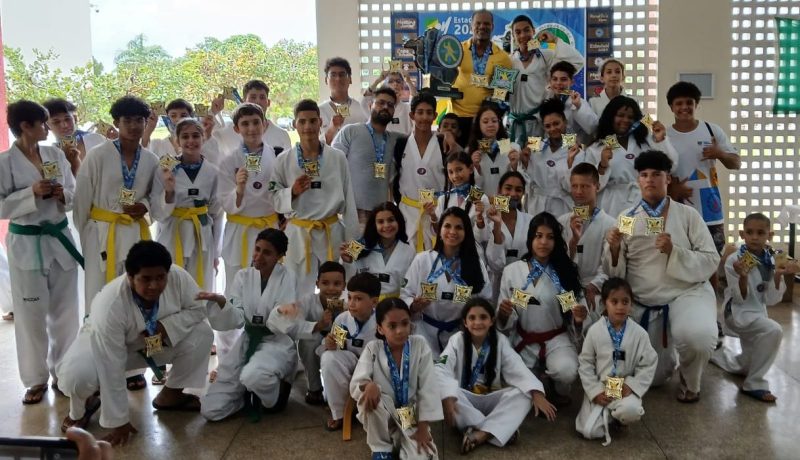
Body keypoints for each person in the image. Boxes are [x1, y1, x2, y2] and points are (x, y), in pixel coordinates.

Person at [56, 241, 213, 446]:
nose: (154, 285)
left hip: (151, 341)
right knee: (78, 377)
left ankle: (172, 395)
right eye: (146, 279)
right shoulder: (110, 303)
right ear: (130, 276)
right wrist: (119, 420)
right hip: (101, 343)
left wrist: (167, 326)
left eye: (160, 278)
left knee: (202, 334)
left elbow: (199, 309)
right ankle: (82, 406)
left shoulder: (178, 276)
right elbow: (110, 364)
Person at [603, 150, 719, 403]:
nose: (650, 179)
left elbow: (711, 259)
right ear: (638, 180)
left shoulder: (688, 215)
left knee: (698, 337)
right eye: (644, 175)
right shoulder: (627, 218)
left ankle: (691, 381)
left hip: (686, 293)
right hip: (646, 301)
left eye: (656, 174)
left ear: (668, 179)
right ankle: (672, 354)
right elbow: (615, 274)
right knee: (655, 379)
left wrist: (674, 252)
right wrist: (614, 249)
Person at [1, 100, 81, 404]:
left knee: (66, 313)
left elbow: (73, 191)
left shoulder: (55, 154)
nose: (48, 128)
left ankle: (65, 373)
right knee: (30, 316)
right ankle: (35, 379)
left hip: (59, 239)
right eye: (43, 123)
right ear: (25, 126)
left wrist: (63, 195)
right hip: (27, 242)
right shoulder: (5, 162)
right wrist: (30, 193)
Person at [73, 96, 166, 311]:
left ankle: (134, 331)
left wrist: (144, 206)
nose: (134, 126)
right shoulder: (97, 155)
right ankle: (97, 331)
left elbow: (155, 196)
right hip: (101, 233)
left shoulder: (151, 159)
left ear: (146, 122)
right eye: (127, 120)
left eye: (139, 120)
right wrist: (88, 236)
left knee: (134, 292)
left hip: (134, 231)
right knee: (99, 293)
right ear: (116, 122)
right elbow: (81, 201)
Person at [198, 229, 297, 421]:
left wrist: (266, 319)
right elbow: (237, 317)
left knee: (254, 377)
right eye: (257, 249)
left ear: (279, 256)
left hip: (276, 343)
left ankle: (279, 387)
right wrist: (221, 302)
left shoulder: (288, 277)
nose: (258, 256)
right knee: (211, 410)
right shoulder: (243, 276)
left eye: (267, 253)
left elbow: (283, 318)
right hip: (247, 340)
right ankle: (244, 396)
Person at [436, 298, 556, 454]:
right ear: (465, 322)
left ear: (491, 321)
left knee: (524, 394)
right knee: (449, 392)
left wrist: (536, 393)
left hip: (491, 398)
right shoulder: (456, 340)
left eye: (483, 317)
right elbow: (441, 368)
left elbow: (517, 367)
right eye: (472, 318)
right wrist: (447, 395)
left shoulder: (500, 340)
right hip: (466, 399)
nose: (477, 322)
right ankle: (499, 429)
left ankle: (480, 433)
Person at [497, 212, 589, 405]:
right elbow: (504, 320)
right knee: (515, 387)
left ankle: (557, 386)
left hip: (556, 339)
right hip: (523, 339)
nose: (544, 242)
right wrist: (503, 314)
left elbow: (576, 312)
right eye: (539, 236)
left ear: (556, 241)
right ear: (530, 238)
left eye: (550, 237)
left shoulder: (564, 271)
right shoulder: (512, 271)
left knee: (566, 371)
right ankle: (538, 380)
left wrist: (578, 319)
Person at [270, 99, 359, 294]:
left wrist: (353, 247)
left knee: (335, 291)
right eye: (302, 121)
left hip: (331, 232)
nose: (308, 126)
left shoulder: (337, 157)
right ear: (294, 124)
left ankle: (334, 315)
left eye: (312, 121)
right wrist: (292, 192)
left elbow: (350, 203)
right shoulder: (283, 160)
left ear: (320, 122)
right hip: (299, 234)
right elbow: (274, 199)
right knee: (297, 292)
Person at [711, 213, 799, 403]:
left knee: (747, 363)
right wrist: (742, 276)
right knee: (773, 330)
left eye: (760, 233)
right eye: (749, 232)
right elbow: (739, 298)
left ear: (770, 235)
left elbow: (771, 299)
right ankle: (754, 383)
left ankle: (715, 354)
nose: (754, 237)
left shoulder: (771, 260)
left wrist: (778, 275)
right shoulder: (735, 260)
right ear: (742, 234)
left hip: (758, 312)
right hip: (737, 313)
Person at [350, 298, 442, 460]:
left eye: (405, 323)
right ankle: (381, 448)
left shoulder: (419, 345)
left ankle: (403, 443)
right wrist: (368, 386)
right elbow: (357, 384)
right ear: (380, 328)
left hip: (411, 416)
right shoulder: (373, 348)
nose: (400, 330)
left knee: (423, 456)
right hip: (383, 415)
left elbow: (428, 387)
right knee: (372, 395)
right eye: (392, 326)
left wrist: (423, 429)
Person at [576, 277, 658, 445]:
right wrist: (594, 392)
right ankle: (607, 413)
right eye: (614, 301)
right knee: (589, 431)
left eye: (625, 302)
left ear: (631, 304)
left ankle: (620, 419)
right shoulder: (595, 331)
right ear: (604, 304)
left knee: (631, 410)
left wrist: (632, 385)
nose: (620, 307)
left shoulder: (639, 334)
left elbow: (649, 363)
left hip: (624, 389)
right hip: (601, 387)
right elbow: (585, 363)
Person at [401, 207, 491, 356]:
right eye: (447, 226)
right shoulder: (422, 260)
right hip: (424, 332)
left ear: (466, 232)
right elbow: (405, 294)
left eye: (459, 227)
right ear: (440, 230)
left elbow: (485, 299)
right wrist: (414, 305)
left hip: (461, 333)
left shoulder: (475, 263)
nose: (452, 231)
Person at [665, 81, 741, 255]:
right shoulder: (665, 137)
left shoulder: (712, 130)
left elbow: (736, 163)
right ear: (671, 107)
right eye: (679, 103)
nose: (684, 107)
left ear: (696, 104)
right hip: (679, 209)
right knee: (681, 258)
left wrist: (720, 153)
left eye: (689, 102)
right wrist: (672, 189)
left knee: (713, 258)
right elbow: (656, 173)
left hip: (710, 211)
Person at [151, 118, 223, 291]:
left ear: (203, 138)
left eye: (195, 136)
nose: (191, 141)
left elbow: (217, 213)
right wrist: (169, 192)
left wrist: (216, 253)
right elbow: (157, 211)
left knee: (201, 287)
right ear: (177, 140)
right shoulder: (165, 169)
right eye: (185, 136)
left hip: (202, 237)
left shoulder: (213, 172)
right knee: (171, 285)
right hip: (173, 233)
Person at [218, 103, 280, 295]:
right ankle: (234, 315)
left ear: (265, 124)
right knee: (236, 284)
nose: (251, 128)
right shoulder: (229, 161)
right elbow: (224, 200)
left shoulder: (277, 157)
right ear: (236, 129)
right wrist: (239, 190)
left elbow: (282, 193)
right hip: (240, 230)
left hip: (268, 228)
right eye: (245, 124)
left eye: (256, 122)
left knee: (268, 285)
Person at [586, 96, 678, 218]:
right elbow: (589, 186)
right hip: (611, 205)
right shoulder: (596, 148)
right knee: (615, 230)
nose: (625, 120)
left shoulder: (647, 142)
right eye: (620, 115)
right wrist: (602, 166)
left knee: (643, 230)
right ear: (610, 117)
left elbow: (671, 166)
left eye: (630, 117)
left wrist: (661, 140)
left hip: (643, 199)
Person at [507, 14, 584, 146]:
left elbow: (578, 61)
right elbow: (499, 95)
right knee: (514, 156)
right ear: (513, 36)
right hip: (514, 124)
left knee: (534, 155)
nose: (523, 35)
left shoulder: (546, 57)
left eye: (526, 30)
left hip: (538, 124)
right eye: (518, 32)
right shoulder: (508, 62)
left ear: (533, 31)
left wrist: (555, 40)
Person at [392, 92, 455, 252]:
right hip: (407, 211)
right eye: (420, 112)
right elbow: (395, 178)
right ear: (412, 115)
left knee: (434, 255)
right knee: (408, 256)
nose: (424, 117)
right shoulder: (401, 144)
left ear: (435, 115)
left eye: (429, 113)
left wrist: (448, 134)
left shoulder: (443, 143)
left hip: (437, 211)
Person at [320, 272, 380, 430]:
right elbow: (339, 347)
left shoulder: (382, 322)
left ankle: (362, 407)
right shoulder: (343, 319)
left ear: (374, 302)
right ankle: (339, 413)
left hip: (375, 371)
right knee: (329, 358)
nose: (351, 304)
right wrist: (331, 345)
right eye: (350, 297)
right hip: (352, 365)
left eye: (358, 299)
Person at [332, 87, 401, 225]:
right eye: (381, 103)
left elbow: (421, 138)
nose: (385, 107)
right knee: (353, 241)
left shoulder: (395, 139)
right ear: (370, 106)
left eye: (390, 105)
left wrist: (444, 135)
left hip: (381, 215)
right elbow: (332, 166)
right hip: (352, 212)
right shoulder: (350, 132)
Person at [558, 163, 616, 311]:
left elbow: (608, 263)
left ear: (597, 186)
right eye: (575, 186)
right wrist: (573, 243)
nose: (579, 191)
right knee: (567, 320)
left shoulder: (610, 224)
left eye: (584, 186)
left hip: (595, 291)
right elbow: (558, 260)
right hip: (566, 288)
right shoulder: (562, 221)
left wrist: (595, 285)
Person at [451, 9, 512, 145]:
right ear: (471, 26)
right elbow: (444, 77)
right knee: (462, 156)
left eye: (486, 23)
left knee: (494, 153)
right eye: (478, 23)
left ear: (492, 26)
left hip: (487, 121)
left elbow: (502, 93)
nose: (482, 27)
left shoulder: (503, 58)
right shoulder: (457, 50)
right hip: (459, 118)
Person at [290, 261, 345, 406]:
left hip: (338, 345)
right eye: (325, 283)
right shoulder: (308, 301)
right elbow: (295, 326)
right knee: (308, 341)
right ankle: (314, 389)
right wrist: (319, 325)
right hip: (315, 343)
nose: (331, 288)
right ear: (317, 284)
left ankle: (340, 392)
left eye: (337, 284)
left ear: (344, 286)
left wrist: (343, 315)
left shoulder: (348, 303)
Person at [340, 202, 416, 300]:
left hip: (396, 304)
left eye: (391, 220)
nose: (386, 225)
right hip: (366, 304)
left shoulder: (409, 251)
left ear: (399, 222)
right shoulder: (359, 246)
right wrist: (347, 262)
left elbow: (409, 284)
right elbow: (350, 280)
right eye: (380, 222)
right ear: (374, 225)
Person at [520, 98, 581, 217]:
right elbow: (525, 179)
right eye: (548, 126)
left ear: (565, 121)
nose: (553, 129)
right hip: (536, 206)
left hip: (562, 208)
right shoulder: (534, 146)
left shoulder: (575, 149)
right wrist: (524, 162)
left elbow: (575, 185)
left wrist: (570, 163)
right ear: (543, 127)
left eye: (556, 123)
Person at [484, 171, 533, 301]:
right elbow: (495, 264)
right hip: (496, 283)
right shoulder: (487, 222)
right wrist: (497, 225)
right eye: (508, 188)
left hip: (524, 283)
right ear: (499, 190)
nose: (512, 194)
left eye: (518, 190)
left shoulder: (531, 221)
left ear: (523, 193)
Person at [212, 79, 292, 157]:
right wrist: (213, 111)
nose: (258, 101)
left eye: (262, 97)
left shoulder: (281, 135)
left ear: (268, 103)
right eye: (253, 97)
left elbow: (288, 164)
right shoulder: (229, 131)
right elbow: (208, 139)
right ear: (243, 101)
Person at [431, 151, 491, 242]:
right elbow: (437, 233)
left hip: (471, 248)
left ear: (471, 169)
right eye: (451, 172)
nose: (455, 176)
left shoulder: (480, 197)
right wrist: (433, 216)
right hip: (448, 248)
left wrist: (479, 219)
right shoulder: (444, 198)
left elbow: (482, 238)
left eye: (459, 170)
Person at [467, 102, 521, 197]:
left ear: (499, 123)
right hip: (481, 203)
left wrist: (515, 166)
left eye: (494, 121)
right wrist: (476, 168)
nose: (490, 124)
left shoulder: (512, 148)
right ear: (478, 125)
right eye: (485, 121)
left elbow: (521, 184)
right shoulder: (470, 151)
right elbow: (468, 185)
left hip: (506, 202)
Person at [43, 98, 106, 175]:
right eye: (56, 122)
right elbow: (56, 181)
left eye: (67, 119)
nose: (64, 125)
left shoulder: (96, 139)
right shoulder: (49, 156)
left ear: (75, 119)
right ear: (47, 126)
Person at [546, 61, 599, 146]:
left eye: (563, 79)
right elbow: (539, 132)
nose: (558, 83)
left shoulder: (578, 102)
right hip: (551, 150)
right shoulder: (545, 101)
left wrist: (578, 106)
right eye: (555, 79)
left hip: (576, 150)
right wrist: (533, 148)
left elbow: (592, 128)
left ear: (572, 82)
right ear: (550, 81)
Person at [320, 57, 369, 145]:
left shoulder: (362, 109)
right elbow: (316, 147)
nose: (338, 79)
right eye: (333, 75)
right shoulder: (319, 111)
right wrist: (332, 129)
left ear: (350, 79)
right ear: (326, 80)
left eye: (342, 74)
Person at [362, 69, 417, 135]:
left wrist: (408, 81)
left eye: (398, 81)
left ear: (402, 86)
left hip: (403, 141)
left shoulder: (407, 108)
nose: (395, 84)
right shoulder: (377, 108)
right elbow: (366, 99)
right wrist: (378, 80)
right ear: (385, 86)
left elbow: (415, 100)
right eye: (390, 81)